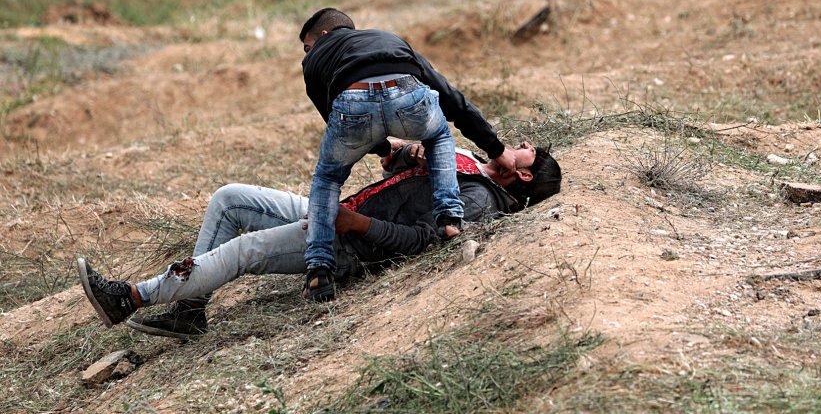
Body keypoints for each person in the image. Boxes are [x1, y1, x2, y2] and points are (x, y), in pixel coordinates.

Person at [77, 140, 562, 340]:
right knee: (229, 198)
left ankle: (131, 297)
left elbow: (423, 241)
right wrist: (396, 149)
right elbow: (398, 167)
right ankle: (189, 310)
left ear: (522, 176)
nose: (515, 142)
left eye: (525, 149)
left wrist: (354, 227)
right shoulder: (475, 161)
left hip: (345, 241)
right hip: (338, 210)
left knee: (245, 251)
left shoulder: (479, 202)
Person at [298, 8, 518, 302]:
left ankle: (319, 270)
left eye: (307, 46)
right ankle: (449, 217)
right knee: (438, 136)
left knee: (327, 177)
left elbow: (333, 115)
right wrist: (496, 148)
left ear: (323, 35)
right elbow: (452, 98)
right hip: (407, 93)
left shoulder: (314, 59)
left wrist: (381, 148)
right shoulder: (388, 39)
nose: (307, 53)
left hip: (351, 100)